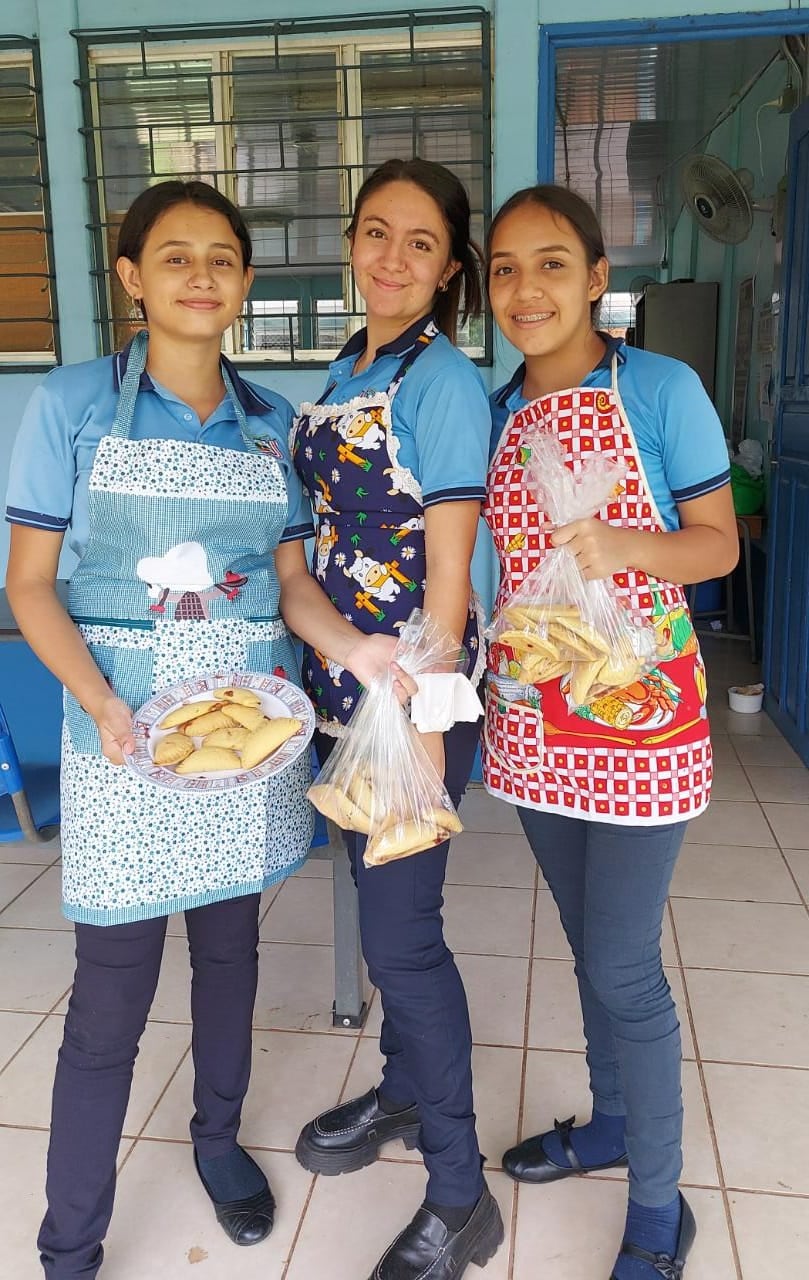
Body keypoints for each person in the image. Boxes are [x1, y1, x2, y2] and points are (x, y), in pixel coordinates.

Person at [4, 179, 400, 1279]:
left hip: (247, 728)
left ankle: (217, 1141)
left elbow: (288, 584)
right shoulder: (76, 406)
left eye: (221, 256)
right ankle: (69, 1240)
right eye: (172, 255)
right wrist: (98, 700)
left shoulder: (271, 423)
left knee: (229, 952)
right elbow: (31, 583)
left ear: (245, 283)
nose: (198, 274)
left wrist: (348, 649)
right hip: (122, 728)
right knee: (109, 995)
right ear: (130, 277)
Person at [482, 185, 739, 1280]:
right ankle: (607, 1123)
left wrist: (625, 547)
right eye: (500, 267)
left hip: (640, 717)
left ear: (595, 277)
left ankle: (656, 1204)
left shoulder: (659, 389)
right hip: (536, 718)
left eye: (549, 263)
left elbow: (718, 545)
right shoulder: (497, 410)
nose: (523, 288)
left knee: (625, 963)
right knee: (588, 947)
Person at [291, 158, 504, 1280]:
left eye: (418, 242)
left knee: (402, 938)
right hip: (345, 695)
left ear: (450, 267)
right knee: (386, 921)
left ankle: (460, 1195)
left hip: (414, 702)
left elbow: (451, 570)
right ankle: (407, 1085)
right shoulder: (348, 366)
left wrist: (425, 718)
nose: (389, 257)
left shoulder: (443, 382)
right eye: (374, 232)